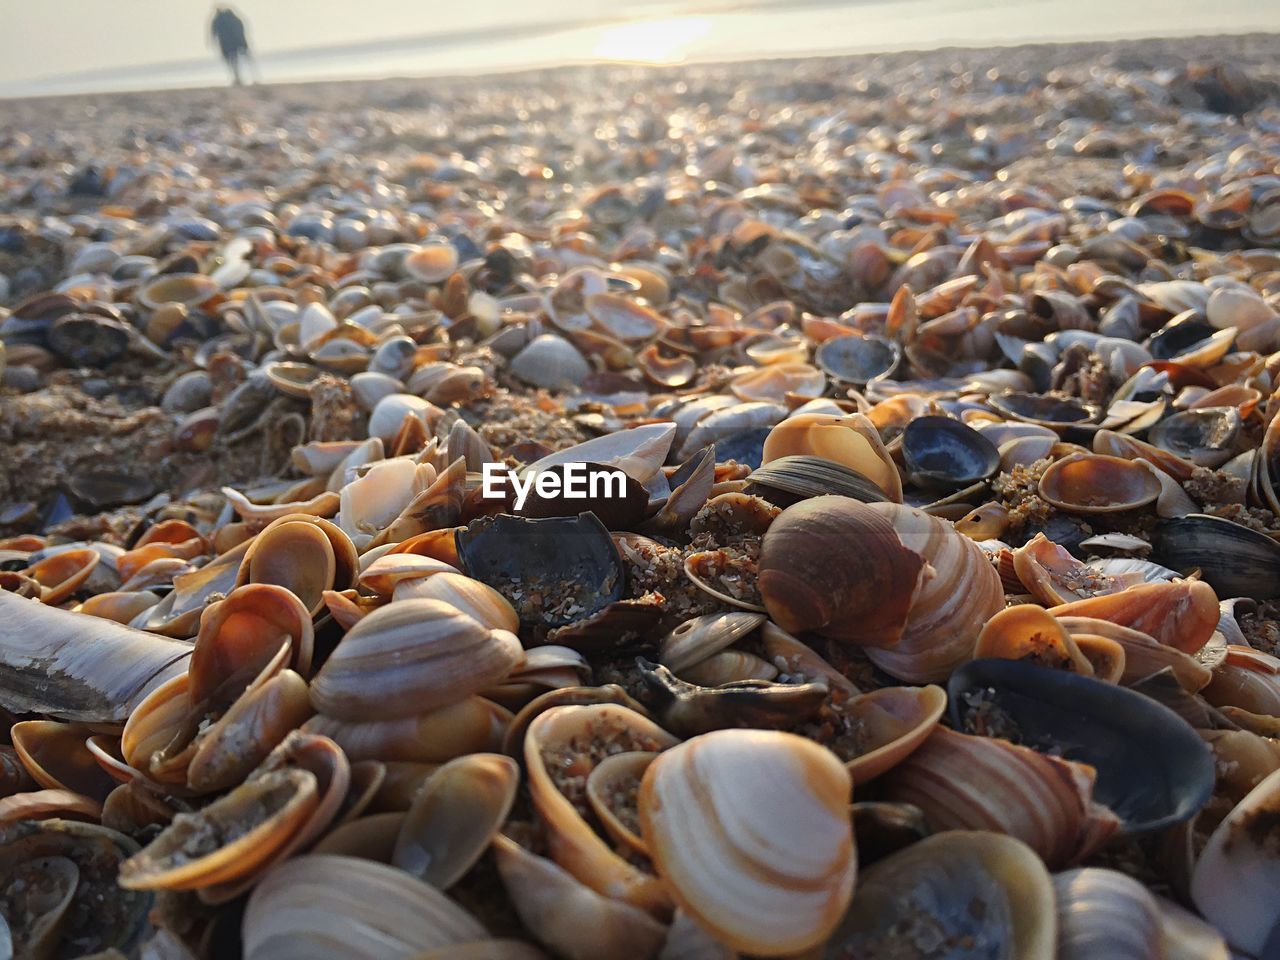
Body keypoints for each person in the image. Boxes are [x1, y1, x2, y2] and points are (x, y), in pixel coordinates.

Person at [210, 6, 253, 86]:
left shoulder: (219, 21)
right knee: (237, 60)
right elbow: (241, 30)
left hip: (227, 44)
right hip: (234, 43)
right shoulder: (233, 19)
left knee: (232, 61)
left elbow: (214, 33)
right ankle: (243, 77)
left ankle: (239, 78)